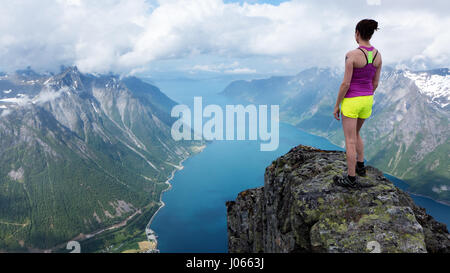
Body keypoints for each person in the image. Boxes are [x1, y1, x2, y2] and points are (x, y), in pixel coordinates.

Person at [333, 19, 382, 188]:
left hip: (352, 101)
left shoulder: (351, 55)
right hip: (368, 99)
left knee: (350, 140)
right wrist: (367, 96)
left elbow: (345, 84)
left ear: (357, 33)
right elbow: (375, 83)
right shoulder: (377, 55)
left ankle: (351, 178)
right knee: (357, 133)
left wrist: (337, 105)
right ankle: (361, 166)